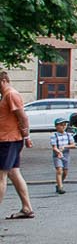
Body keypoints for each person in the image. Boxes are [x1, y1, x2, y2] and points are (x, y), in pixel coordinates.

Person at [0, 69, 27, 220]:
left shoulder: (11, 94)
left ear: (3, 81)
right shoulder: (5, 95)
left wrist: (26, 136)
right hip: (8, 139)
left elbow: (23, 117)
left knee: (1, 175)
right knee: (13, 173)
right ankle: (27, 208)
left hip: (8, 140)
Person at [49, 115, 77, 195]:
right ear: (56, 126)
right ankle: (60, 187)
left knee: (65, 171)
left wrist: (65, 147)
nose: (63, 126)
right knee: (59, 170)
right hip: (57, 155)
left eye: (65, 125)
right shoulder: (54, 136)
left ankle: (59, 183)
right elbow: (54, 147)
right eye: (61, 125)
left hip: (66, 154)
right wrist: (58, 152)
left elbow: (73, 145)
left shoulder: (68, 135)